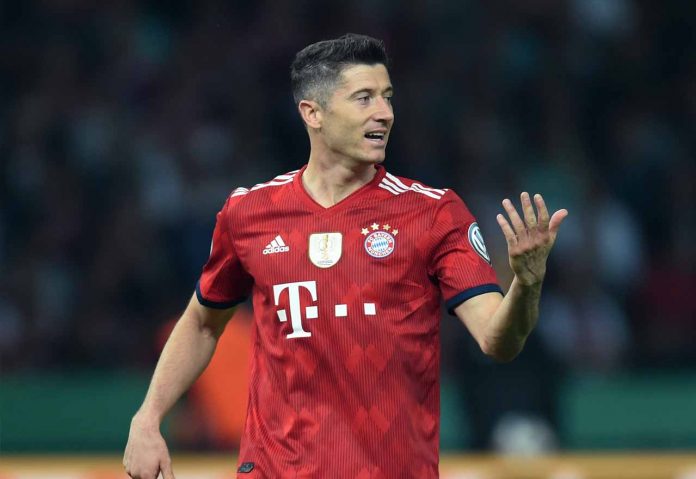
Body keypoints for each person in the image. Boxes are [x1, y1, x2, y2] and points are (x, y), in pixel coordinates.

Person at [123, 33, 567, 479]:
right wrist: (148, 418)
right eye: (364, 98)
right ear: (312, 113)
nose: (384, 112)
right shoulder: (249, 213)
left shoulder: (433, 213)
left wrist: (527, 285)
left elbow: (497, 341)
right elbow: (202, 323)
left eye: (388, 97)